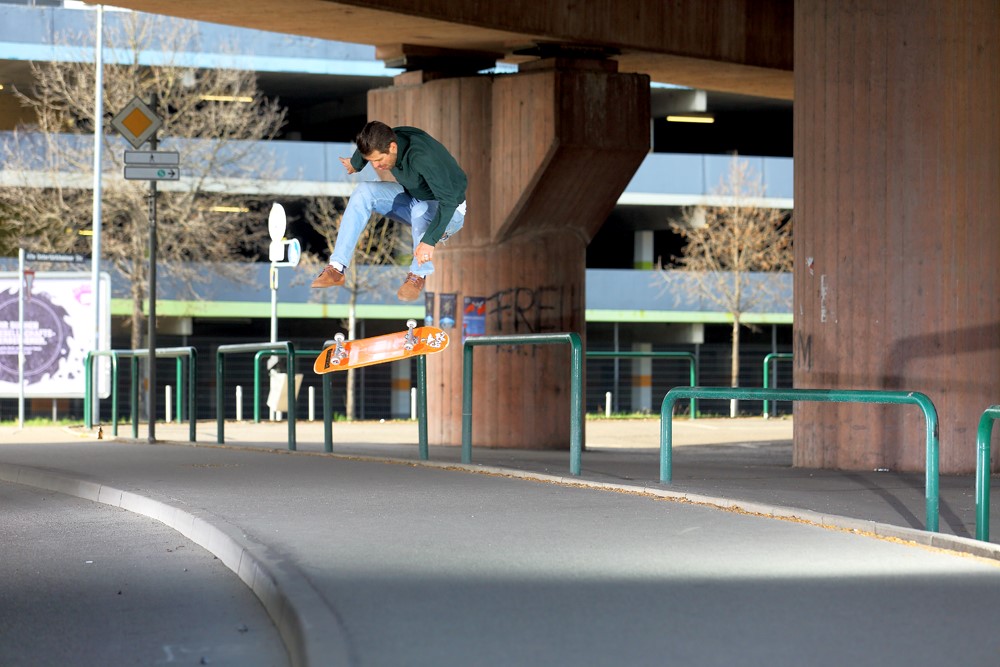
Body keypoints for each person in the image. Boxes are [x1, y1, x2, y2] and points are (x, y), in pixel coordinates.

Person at [311, 121, 468, 301]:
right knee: (364, 191)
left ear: (392, 147)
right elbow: (367, 148)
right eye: (372, 161)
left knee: (420, 209)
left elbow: (448, 202)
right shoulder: (385, 138)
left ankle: (417, 275)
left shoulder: (422, 158)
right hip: (414, 198)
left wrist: (429, 241)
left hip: (450, 211)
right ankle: (337, 268)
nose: (377, 166)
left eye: (379, 160)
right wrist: (356, 163)